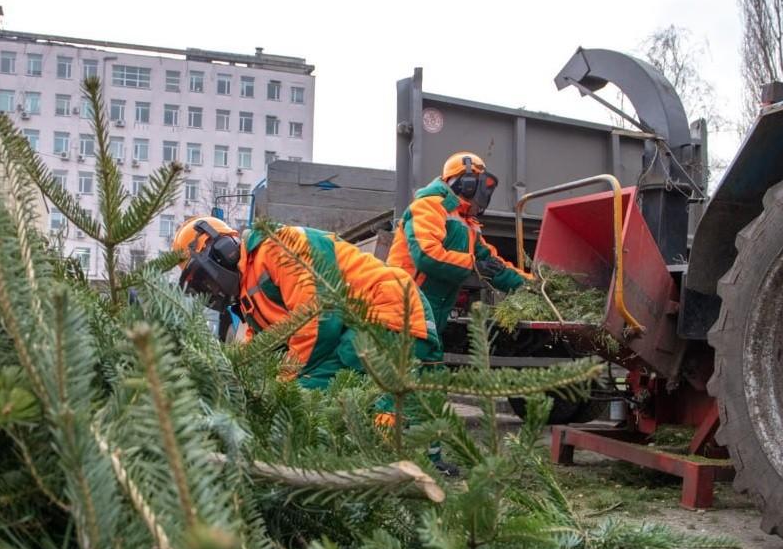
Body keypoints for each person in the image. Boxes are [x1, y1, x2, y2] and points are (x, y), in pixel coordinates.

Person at [172, 216, 441, 389]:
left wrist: (283, 383)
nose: (209, 289)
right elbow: (266, 346)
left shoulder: (280, 246)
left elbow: (318, 321)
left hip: (389, 311)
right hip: (359, 322)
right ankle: (431, 458)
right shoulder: (248, 294)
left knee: (311, 389)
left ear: (223, 252)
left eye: (205, 280)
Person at [388, 151, 531, 334]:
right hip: (404, 303)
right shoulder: (429, 206)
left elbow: (495, 265)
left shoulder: (468, 224)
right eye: (482, 187)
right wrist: (473, 265)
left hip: (432, 307)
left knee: (428, 359)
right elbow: (426, 255)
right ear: (467, 185)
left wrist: (531, 285)